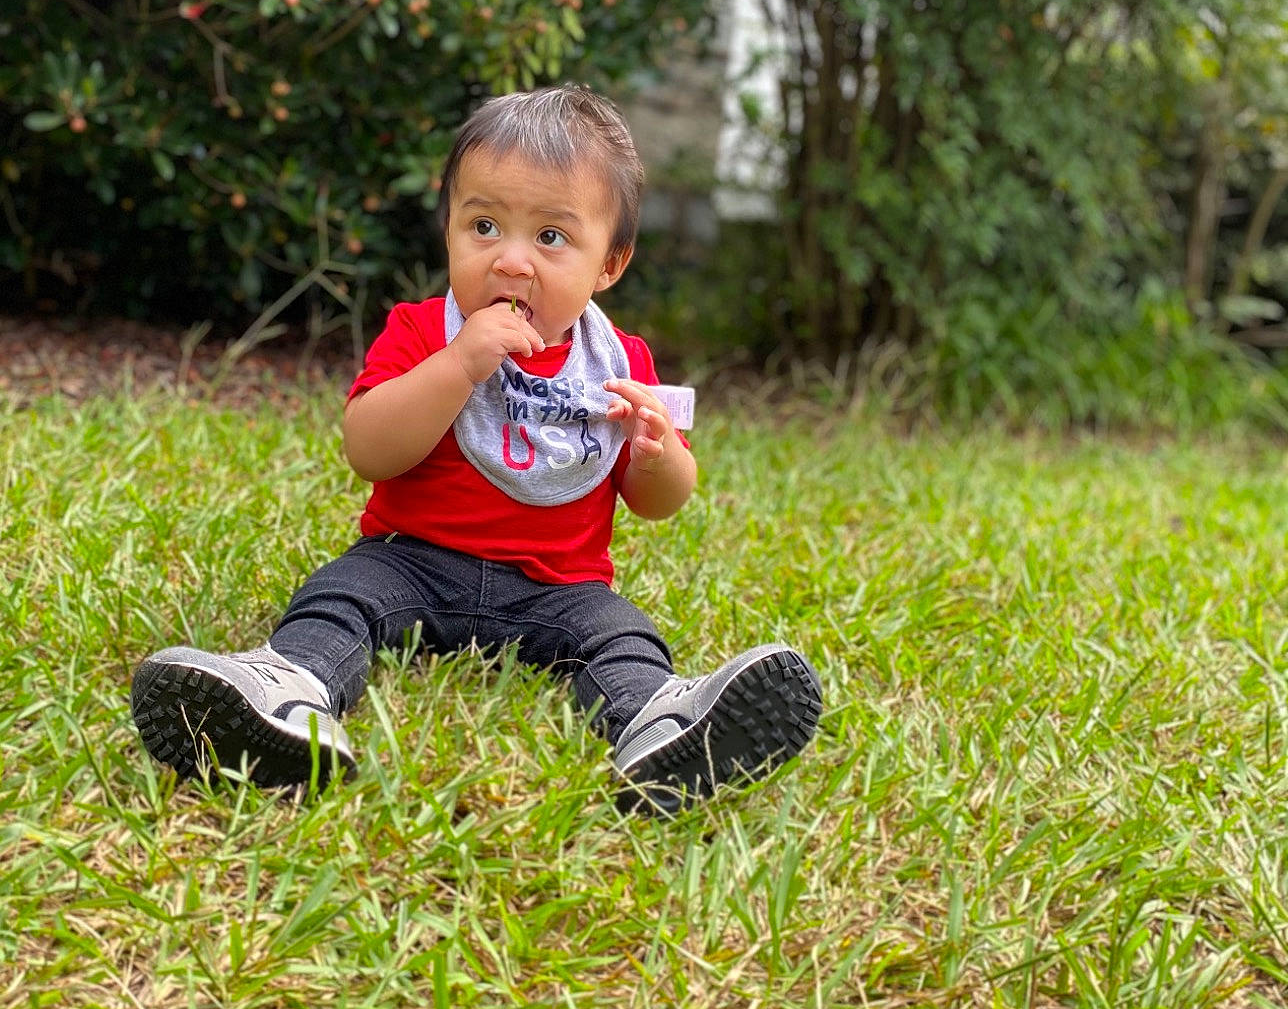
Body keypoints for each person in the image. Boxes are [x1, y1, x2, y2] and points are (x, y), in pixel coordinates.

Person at [131, 84, 821, 816]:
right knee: (339, 597)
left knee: (622, 635)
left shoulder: (618, 363)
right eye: (484, 226)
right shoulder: (424, 331)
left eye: (550, 237)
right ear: (450, 232)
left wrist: (659, 457)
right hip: (411, 563)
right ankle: (288, 694)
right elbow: (369, 449)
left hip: (561, 589)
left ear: (609, 264)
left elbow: (659, 503)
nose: (511, 261)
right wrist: (458, 366)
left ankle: (659, 724)